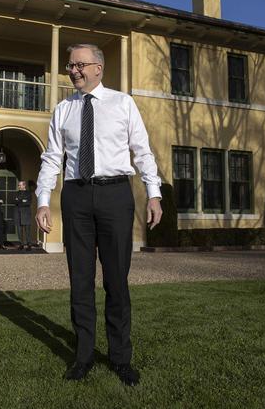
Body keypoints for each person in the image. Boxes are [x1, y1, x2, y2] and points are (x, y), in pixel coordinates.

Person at [35, 43, 162, 387]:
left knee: (116, 281)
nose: (73, 70)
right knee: (80, 281)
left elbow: (142, 151)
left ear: (98, 68)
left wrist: (154, 194)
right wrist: (43, 200)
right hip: (76, 196)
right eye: (70, 65)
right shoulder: (63, 109)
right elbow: (52, 157)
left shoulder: (123, 103)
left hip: (116, 195)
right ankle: (84, 356)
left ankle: (121, 359)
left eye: (79, 65)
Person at [14, 180, 33, 250]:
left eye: (20, 185)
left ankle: (29, 245)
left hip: (26, 213)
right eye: (18, 185)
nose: (19, 186)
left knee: (27, 230)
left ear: (24, 185)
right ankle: (21, 244)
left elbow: (28, 202)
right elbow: (14, 201)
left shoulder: (28, 193)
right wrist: (22, 200)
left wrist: (19, 200)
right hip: (18, 213)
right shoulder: (16, 193)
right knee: (19, 230)